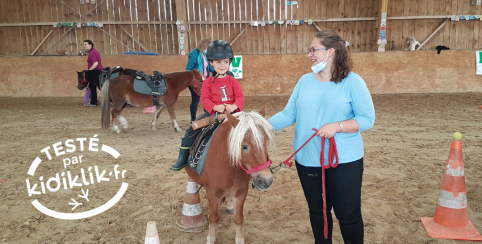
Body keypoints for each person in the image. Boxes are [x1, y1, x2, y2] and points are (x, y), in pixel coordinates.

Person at [268, 30, 375, 243]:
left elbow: (367, 118)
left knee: (348, 214)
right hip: (307, 160)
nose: (310, 55)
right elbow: (289, 114)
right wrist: (258, 125)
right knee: (318, 213)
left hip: (344, 162)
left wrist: (338, 126)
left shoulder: (353, 82)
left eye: (314, 50)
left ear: (331, 52)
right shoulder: (304, 81)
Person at [170, 40, 245, 171]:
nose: (222, 65)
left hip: (234, 114)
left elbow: (240, 97)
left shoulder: (233, 81)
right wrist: (215, 107)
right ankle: (182, 158)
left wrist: (234, 106)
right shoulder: (208, 82)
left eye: (225, 62)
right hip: (213, 114)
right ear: (211, 63)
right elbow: (205, 99)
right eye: (218, 62)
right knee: (192, 129)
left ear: (229, 63)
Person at [142, 38, 214, 115]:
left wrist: (216, 72)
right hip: (195, 81)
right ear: (203, 46)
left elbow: (209, 66)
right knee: (195, 101)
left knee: (206, 98)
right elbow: (189, 69)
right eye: (208, 48)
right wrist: (196, 76)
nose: (208, 50)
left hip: (204, 80)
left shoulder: (205, 55)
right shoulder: (194, 54)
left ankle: (207, 115)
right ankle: (193, 119)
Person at [83, 40, 103, 107]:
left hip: (95, 71)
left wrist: (89, 71)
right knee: (93, 86)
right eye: (84, 44)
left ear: (90, 45)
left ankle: (93, 102)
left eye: (86, 44)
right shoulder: (94, 51)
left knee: (92, 86)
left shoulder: (92, 52)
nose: (84, 46)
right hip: (98, 71)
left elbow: (95, 63)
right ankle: (94, 100)